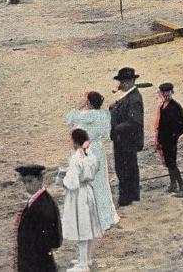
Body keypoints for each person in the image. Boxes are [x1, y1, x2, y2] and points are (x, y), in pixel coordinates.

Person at [66, 92, 119, 231]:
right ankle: (106, 217)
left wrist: (80, 105)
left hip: (87, 152)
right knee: (101, 185)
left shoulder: (85, 115)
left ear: (89, 102)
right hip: (98, 150)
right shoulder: (103, 115)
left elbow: (70, 118)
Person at [61, 128, 102, 272]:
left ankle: (83, 265)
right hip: (88, 191)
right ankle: (86, 258)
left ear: (75, 142)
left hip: (79, 196)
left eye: (70, 139)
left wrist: (63, 180)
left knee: (82, 229)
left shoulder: (75, 158)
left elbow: (72, 183)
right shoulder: (90, 154)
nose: (69, 142)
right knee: (89, 227)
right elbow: (95, 168)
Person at [13, 164, 62, 272]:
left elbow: (54, 239)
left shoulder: (44, 204)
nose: (27, 186)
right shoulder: (38, 200)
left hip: (37, 260)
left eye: (30, 181)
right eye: (24, 182)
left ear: (40, 179)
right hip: (34, 258)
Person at [108, 67, 144, 207]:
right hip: (127, 140)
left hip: (126, 140)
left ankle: (126, 198)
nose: (120, 84)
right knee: (130, 167)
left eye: (122, 81)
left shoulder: (134, 98)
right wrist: (115, 107)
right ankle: (133, 195)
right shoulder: (129, 95)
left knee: (124, 169)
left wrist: (116, 128)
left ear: (130, 82)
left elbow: (134, 122)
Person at [154, 83, 183, 197]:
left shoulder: (175, 106)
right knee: (169, 163)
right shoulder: (163, 105)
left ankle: (182, 187)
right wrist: (158, 140)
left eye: (168, 92)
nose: (166, 94)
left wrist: (175, 135)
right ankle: (173, 185)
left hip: (171, 141)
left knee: (172, 163)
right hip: (164, 140)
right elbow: (160, 125)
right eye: (164, 93)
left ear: (172, 92)